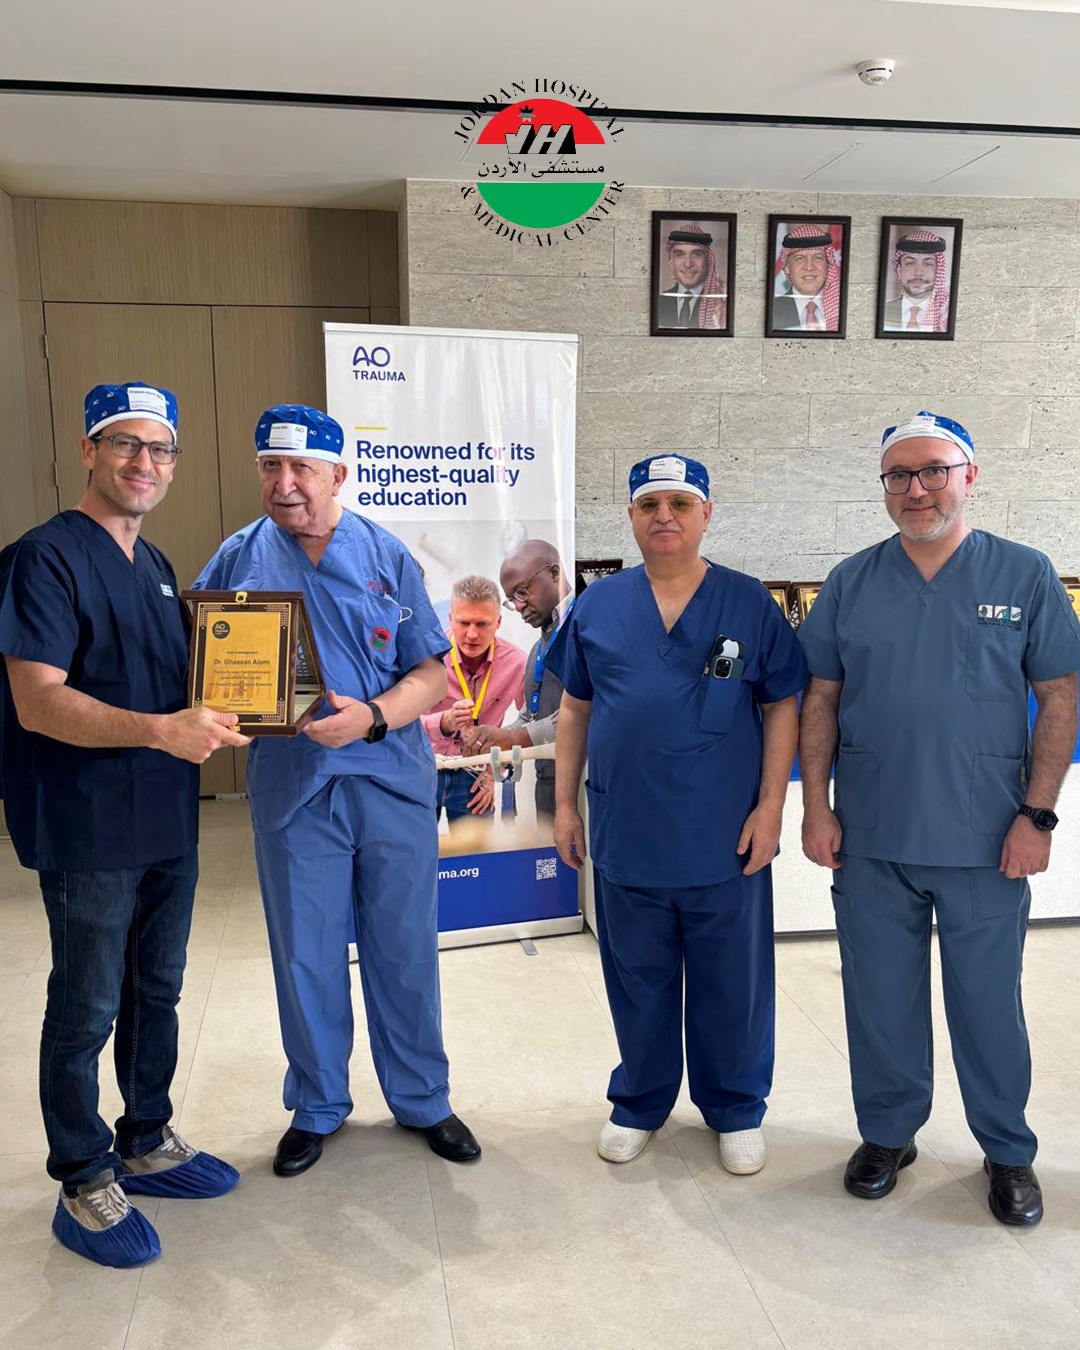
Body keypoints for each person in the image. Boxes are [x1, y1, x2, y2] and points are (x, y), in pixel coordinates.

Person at [798, 411, 1080, 1227]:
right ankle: (888, 1135)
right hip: (873, 835)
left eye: (933, 471)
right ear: (884, 488)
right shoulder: (851, 582)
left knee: (989, 1005)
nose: (916, 489)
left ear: (969, 476)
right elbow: (821, 698)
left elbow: (1060, 696)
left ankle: (1007, 1149)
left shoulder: (1025, 575)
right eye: (899, 475)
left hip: (987, 837)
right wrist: (815, 807)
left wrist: (1038, 816)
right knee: (879, 1000)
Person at [193, 404, 480, 1177]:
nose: (284, 484)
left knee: (405, 948)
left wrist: (374, 717)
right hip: (295, 789)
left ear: (337, 476)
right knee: (306, 954)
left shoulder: (385, 556)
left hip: (388, 781)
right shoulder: (237, 560)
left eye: (302, 469)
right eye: (270, 467)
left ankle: (423, 1098)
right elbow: (203, 664)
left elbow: (431, 674)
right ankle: (317, 1104)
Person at [0, 381, 247, 1268]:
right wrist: (160, 731)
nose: (145, 462)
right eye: (125, 444)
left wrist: (257, 696)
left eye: (161, 448)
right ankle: (83, 1174)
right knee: (86, 1004)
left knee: (157, 989)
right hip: (89, 822)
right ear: (89, 451)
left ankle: (146, 1136)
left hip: (165, 816)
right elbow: (38, 701)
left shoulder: (158, 566)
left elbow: (184, 683)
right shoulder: (43, 559)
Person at [550, 454, 808, 1172]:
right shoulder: (598, 606)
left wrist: (771, 806)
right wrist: (565, 806)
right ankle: (640, 1100)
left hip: (724, 835)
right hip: (628, 829)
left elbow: (781, 704)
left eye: (681, 503)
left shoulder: (747, 603)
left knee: (733, 981)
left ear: (706, 515)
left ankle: (735, 1106)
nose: (664, 516)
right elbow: (574, 710)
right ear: (631, 517)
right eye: (649, 504)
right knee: (637, 977)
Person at [462, 539, 573, 823]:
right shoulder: (537, 649)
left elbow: (587, 711)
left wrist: (514, 738)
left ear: (555, 573)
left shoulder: (588, 626)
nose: (520, 606)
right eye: (512, 599)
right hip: (547, 783)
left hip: (583, 782)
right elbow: (530, 715)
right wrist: (493, 738)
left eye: (522, 591)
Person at [422, 574, 527, 829]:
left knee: (477, 854)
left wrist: (494, 770)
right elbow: (402, 722)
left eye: (482, 624)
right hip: (423, 768)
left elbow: (532, 723)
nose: (472, 634)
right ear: (450, 619)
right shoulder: (426, 656)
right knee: (414, 853)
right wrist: (443, 722)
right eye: (464, 622)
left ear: (498, 621)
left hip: (477, 777)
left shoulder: (517, 663)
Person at [771, 223, 842, 332]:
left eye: (817, 258)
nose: (809, 267)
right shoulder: (772, 310)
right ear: (787, 267)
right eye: (800, 258)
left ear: (828, 264)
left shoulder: (843, 309)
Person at [656, 223, 727, 331]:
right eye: (680, 255)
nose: (688, 264)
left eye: (696, 254)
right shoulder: (659, 301)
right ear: (672, 261)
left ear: (708, 260)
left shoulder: (722, 304)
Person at [882, 229, 951, 333]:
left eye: (928, 264)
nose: (918, 272)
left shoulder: (946, 314)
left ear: (938, 271)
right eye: (910, 263)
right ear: (899, 271)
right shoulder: (884, 311)